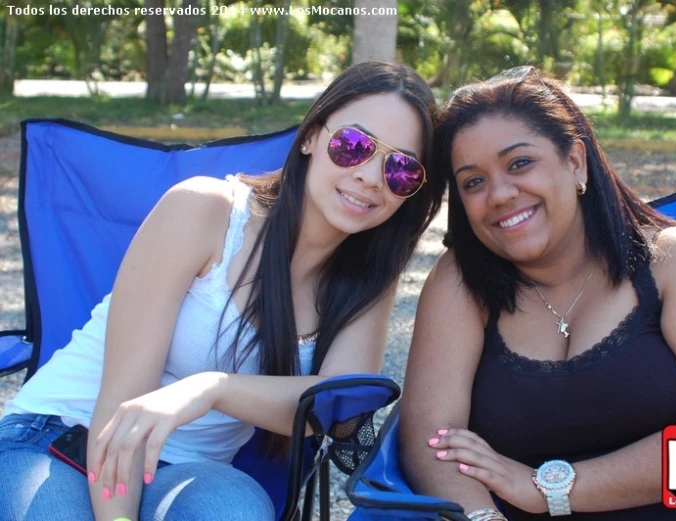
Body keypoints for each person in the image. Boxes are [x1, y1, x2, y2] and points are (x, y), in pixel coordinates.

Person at [0, 60, 445, 521]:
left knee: (235, 512)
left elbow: (330, 406)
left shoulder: (367, 279)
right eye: (353, 145)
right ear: (311, 136)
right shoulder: (204, 211)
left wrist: (212, 389)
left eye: (401, 169)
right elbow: (120, 405)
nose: (371, 177)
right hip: (62, 436)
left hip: (189, 470)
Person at [399, 67, 676, 520]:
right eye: (473, 182)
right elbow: (429, 440)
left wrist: (548, 488)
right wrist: (482, 517)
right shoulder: (460, 283)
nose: (500, 194)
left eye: (519, 163)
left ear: (575, 161)